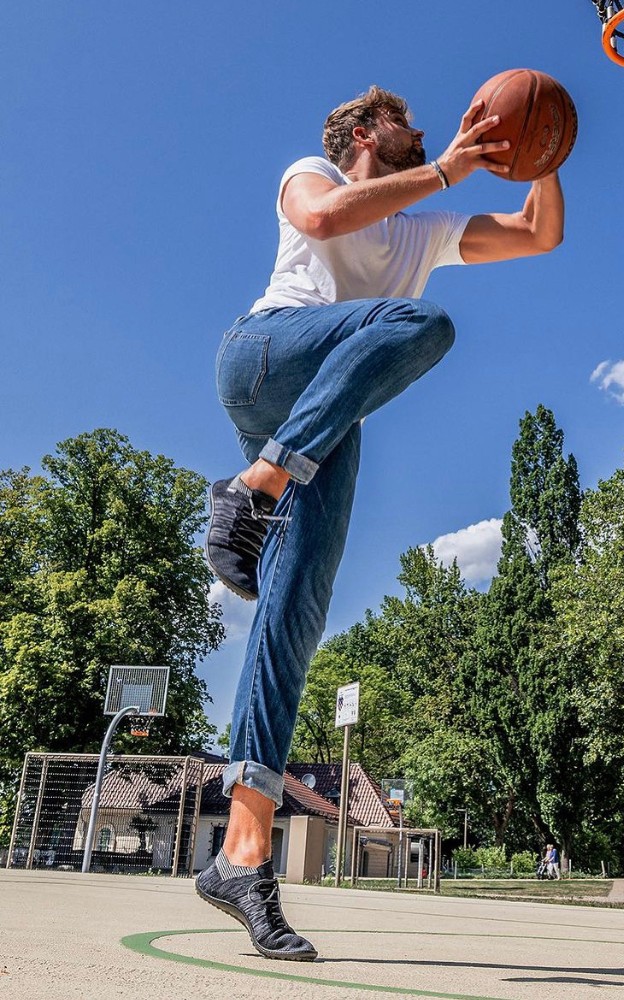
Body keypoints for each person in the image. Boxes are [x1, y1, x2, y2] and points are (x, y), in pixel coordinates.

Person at [195, 86, 564, 961]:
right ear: (366, 133)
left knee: (295, 614)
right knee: (422, 320)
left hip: (318, 430)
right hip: (265, 359)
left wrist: (547, 153)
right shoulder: (311, 170)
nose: (428, 134)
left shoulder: (423, 233)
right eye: (408, 125)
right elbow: (321, 223)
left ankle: (241, 857)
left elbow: (537, 233)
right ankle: (256, 483)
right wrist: (446, 170)